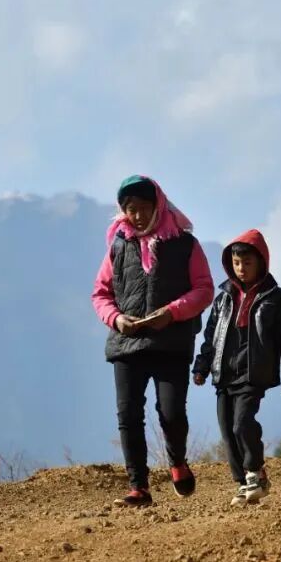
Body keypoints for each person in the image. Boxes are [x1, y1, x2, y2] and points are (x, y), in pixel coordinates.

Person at [91, 175, 214, 507]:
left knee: (171, 412)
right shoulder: (118, 245)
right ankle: (138, 487)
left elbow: (204, 289)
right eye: (131, 210)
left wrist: (172, 313)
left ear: (158, 206)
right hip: (126, 343)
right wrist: (117, 319)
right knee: (128, 414)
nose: (139, 216)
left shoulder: (186, 244)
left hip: (171, 342)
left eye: (145, 208)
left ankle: (177, 462)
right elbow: (100, 294)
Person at [192, 229, 281, 505]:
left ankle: (257, 472)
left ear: (261, 262)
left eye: (247, 263)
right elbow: (210, 337)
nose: (241, 269)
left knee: (243, 423)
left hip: (254, 373)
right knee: (228, 430)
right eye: (236, 263)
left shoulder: (278, 299)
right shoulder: (223, 298)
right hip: (224, 373)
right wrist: (202, 366)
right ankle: (243, 483)